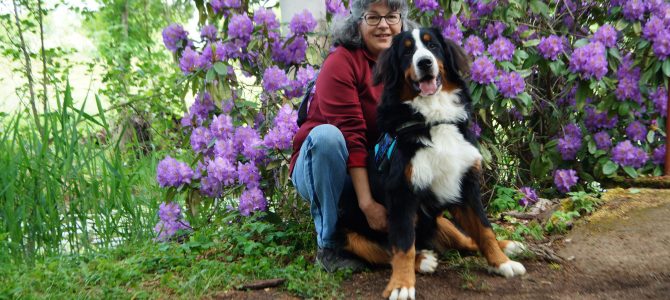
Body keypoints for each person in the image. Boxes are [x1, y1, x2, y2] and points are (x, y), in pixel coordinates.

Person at [290, 0, 418, 272]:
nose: (384, 25)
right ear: (357, 23)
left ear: (402, 23)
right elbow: (352, 137)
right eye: (373, 17)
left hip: (372, 169)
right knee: (327, 137)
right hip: (322, 165)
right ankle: (329, 246)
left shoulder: (408, 63)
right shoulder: (342, 61)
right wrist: (367, 203)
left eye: (392, 16)